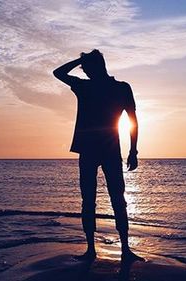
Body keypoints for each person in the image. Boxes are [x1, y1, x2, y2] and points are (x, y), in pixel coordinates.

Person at [53, 49, 144, 263]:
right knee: (91, 200)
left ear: (97, 66)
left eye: (87, 68)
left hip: (104, 150)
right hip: (94, 150)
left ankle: (123, 249)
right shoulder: (90, 86)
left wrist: (133, 150)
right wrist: (132, 150)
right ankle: (93, 250)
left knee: (114, 199)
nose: (86, 72)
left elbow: (133, 120)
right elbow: (57, 73)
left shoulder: (116, 88)